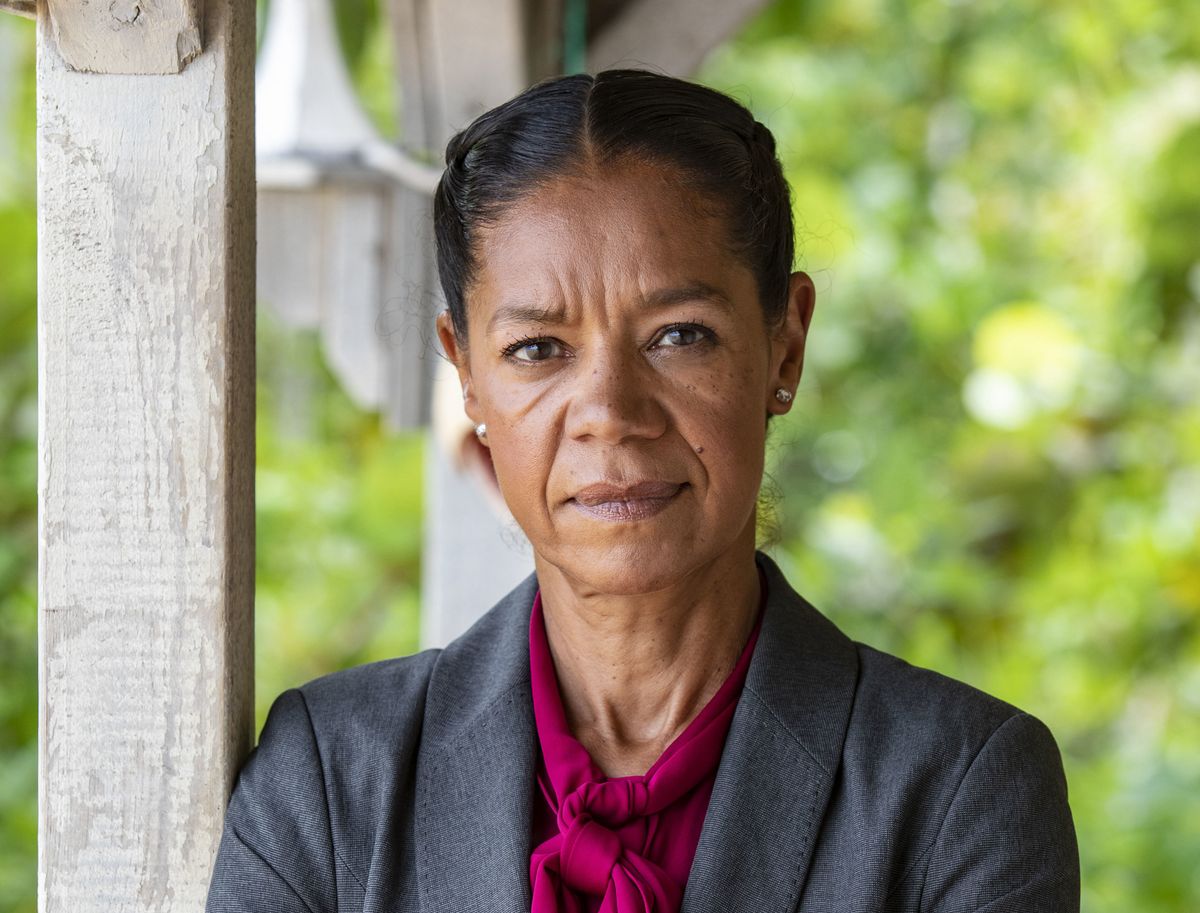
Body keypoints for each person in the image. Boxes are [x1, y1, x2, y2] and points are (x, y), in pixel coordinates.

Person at [205, 68, 1079, 913]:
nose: (611, 414)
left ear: (785, 345)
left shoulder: (959, 787)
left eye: (678, 335)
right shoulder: (329, 780)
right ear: (466, 372)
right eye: (538, 348)